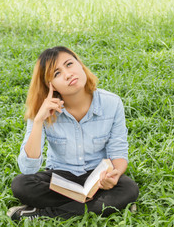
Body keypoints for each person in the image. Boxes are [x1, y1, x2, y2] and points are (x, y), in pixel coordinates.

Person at [7, 46, 139, 220]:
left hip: (97, 178)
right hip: (61, 179)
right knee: (21, 185)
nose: (68, 74)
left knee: (128, 188)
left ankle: (41, 214)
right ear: (50, 85)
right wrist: (38, 121)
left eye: (69, 64)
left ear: (80, 65)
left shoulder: (112, 103)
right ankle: (106, 207)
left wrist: (115, 175)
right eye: (57, 73)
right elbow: (28, 169)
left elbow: (118, 152)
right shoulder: (44, 110)